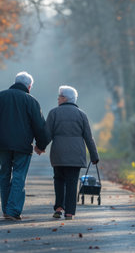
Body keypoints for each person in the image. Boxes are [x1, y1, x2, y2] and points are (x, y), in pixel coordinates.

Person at [0, 71, 48, 221]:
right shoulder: (31, 101)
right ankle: (12, 210)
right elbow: (40, 126)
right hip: (23, 145)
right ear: (29, 86)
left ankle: (6, 209)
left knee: (4, 173)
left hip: (1, 144)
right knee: (19, 175)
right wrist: (41, 145)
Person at [45, 85, 99, 220]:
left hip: (58, 153)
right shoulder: (82, 114)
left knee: (58, 180)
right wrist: (94, 155)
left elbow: (47, 134)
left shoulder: (54, 113)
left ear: (64, 98)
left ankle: (58, 208)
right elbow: (88, 137)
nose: (58, 99)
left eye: (59, 96)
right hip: (76, 155)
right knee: (72, 182)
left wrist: (40, 147)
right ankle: (69, 213)